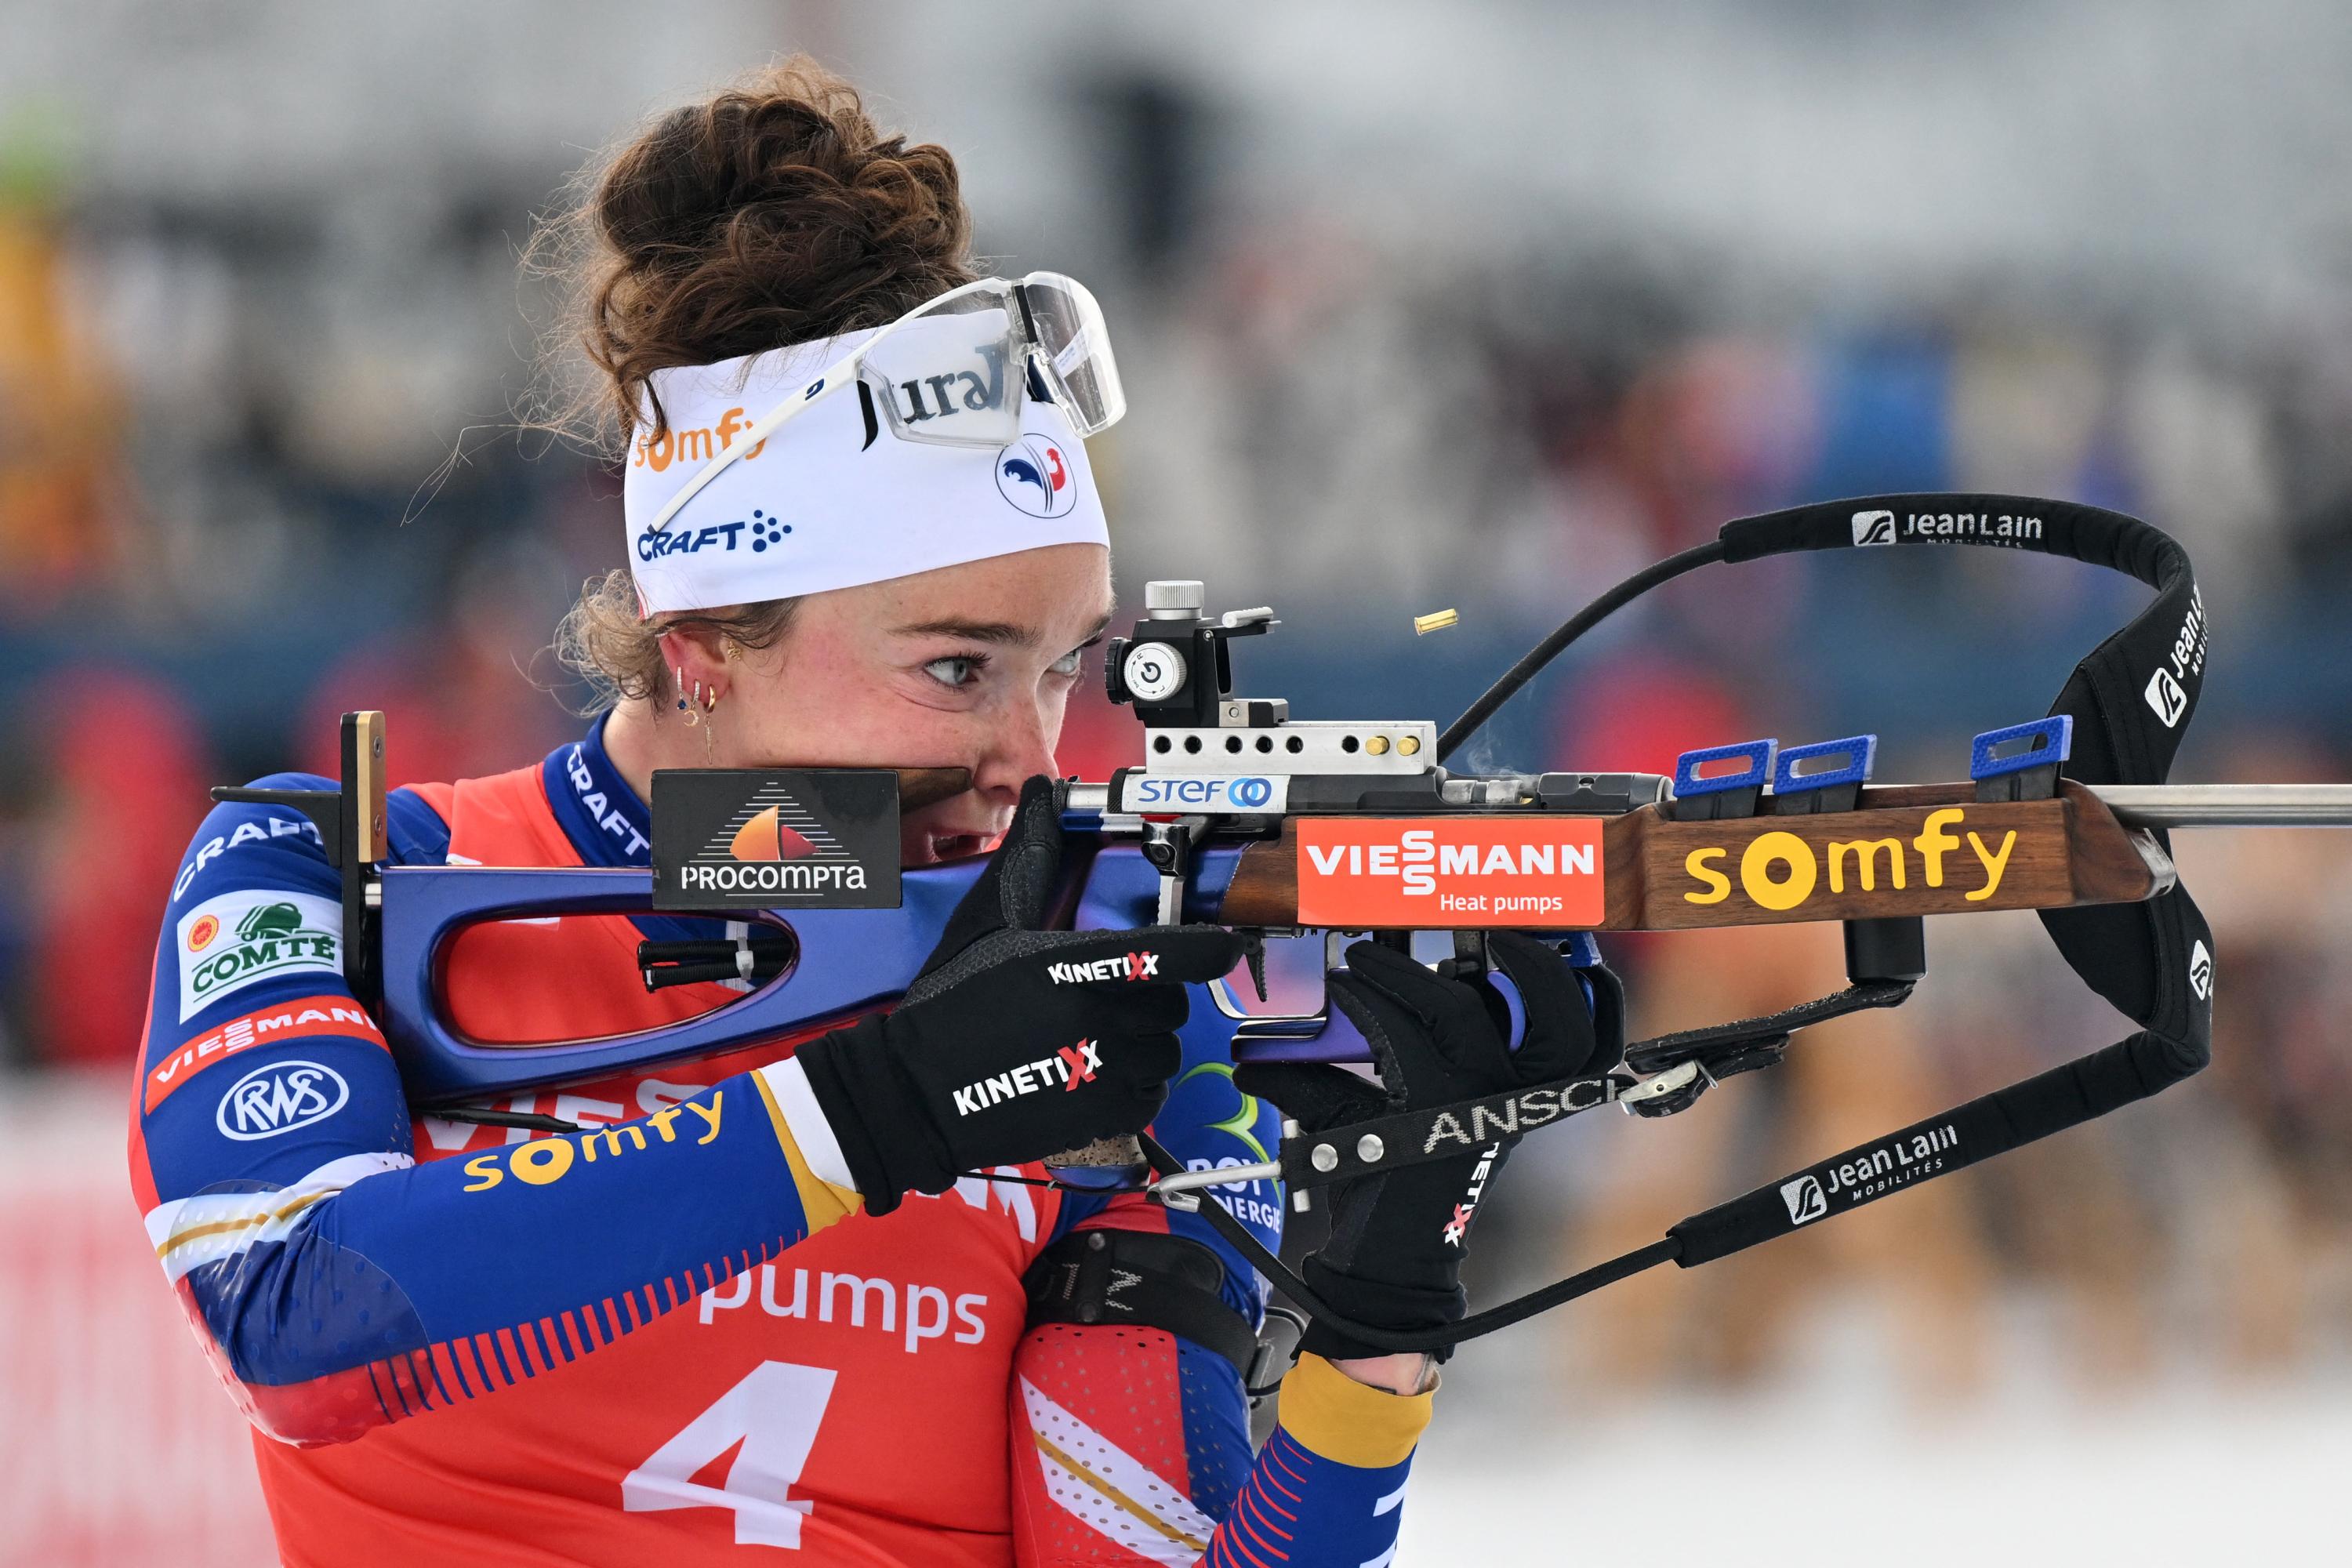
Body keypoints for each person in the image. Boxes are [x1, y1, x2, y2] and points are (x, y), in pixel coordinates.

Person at [128, 60, 1609, 1566]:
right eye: (956, 666)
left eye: (1061, 669)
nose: (1029, 761)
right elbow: (299, 1319)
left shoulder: (1090, 978)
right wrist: (883, 1107)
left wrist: (1380, 1323)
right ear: (700, 641)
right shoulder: (340, 868)